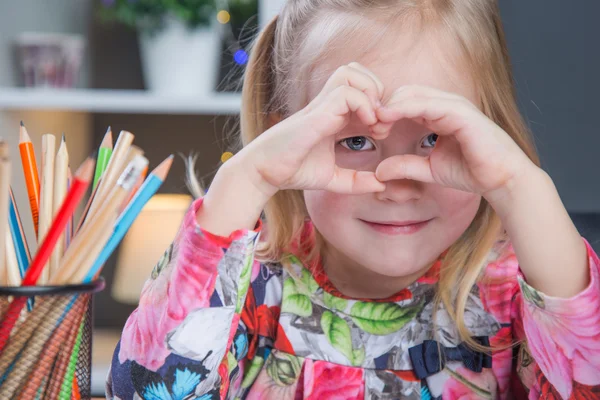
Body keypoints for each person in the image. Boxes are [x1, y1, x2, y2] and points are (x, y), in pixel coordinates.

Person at [106, 0, 600, 398]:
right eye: (356, 141)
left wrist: (522, 186)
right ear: (291, 140)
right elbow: (146, 391)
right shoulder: (254, 290)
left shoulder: (507, 295)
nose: (397, 182)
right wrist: (250, 174)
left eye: (433, 139)